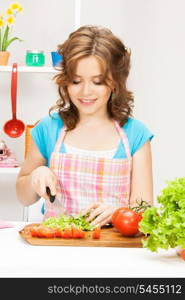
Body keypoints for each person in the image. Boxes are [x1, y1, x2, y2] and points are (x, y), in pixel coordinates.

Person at [16, 25, 154, 227]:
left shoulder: (135, 134)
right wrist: (34, 177)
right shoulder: (48, 128)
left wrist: (118, 213)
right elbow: (23, 197)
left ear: (115, 82)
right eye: (76, 81)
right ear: (65, 81)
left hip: (115, 249)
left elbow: (144, 209)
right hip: (58, 245)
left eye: (97, 82)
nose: (85, 91)